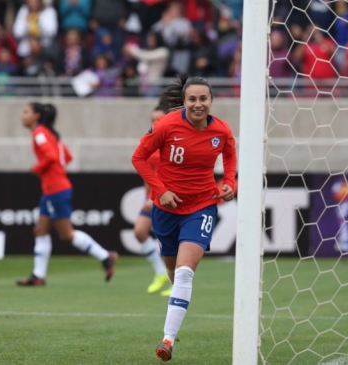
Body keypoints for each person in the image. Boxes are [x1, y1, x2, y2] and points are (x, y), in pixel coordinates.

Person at [131, 75, 237, 362]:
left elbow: (230, 154)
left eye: (203, 99)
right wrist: (161, 190)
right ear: (185, 101)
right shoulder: (166, 125)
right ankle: (176, 308)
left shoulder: (221, 130)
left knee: (185, 272)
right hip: (166, 209)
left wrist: (230, 182)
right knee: (173, 271)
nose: (198, 104)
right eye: (193, 99)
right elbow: (138, 157)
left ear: (211, 101)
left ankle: (167, 340)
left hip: (202, 207)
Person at [17, 103, 117, 286]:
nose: (22, 116)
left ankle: (105, 256)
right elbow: (67, 156)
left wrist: (38, 168)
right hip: (52, 189)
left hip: (55, 189)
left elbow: (52, 158)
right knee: (40, 230)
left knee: (66, 235)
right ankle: (38, 276)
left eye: (25, 112)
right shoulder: (50, 134)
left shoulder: (39, 134)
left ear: (36, 116)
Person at [134, 104, 171, 295]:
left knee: (172, 240)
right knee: (140, 231)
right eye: (152, 119)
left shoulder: (173, 143)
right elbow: (147, 175)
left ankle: (176, 281)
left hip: (170, 196)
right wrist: (146, 199)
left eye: (159, 119)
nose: (155, 122)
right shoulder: (150, 142)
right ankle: (160, 272)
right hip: (153, 197)